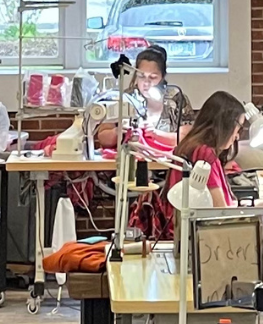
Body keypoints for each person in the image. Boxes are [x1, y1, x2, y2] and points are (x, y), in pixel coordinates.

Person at [130, 90, 250, 242]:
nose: (238, 135)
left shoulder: (191, 145)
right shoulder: (204, 154)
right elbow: (221, 211)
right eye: (239, 127)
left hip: (185, 232)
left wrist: (258, 205)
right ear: (226, 124)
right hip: (198, 238)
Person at [95, 45, 187, 149]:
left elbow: (187, 137)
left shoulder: (175, 97)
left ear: (163, 76)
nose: (146, 83)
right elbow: (103, 137)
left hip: (167, 161)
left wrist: (156, 134)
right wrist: (117, 132)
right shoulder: (125, 98)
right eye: (141, 76)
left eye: (153, 77)